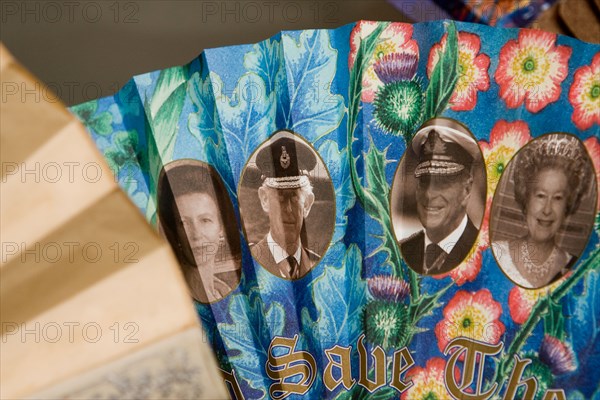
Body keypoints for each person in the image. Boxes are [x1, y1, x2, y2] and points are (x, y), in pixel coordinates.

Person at [493, 134, 593, 289]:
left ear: (568, 205)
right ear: (526, 198)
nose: (547, 209)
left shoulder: (574, 267)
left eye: (558, 198)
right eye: (540, 196)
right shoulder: (498, 254)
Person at [399, 119, 481, 275]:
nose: (429, 194)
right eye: (424, 181)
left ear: (467, 189)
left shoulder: (480, 249)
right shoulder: (405, 250)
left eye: (443, 182)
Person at [157, 159, 241, 303]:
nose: (196, 234)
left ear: (221, 227)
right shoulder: (171, 294)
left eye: (205, 220)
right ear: (175, 233)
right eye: (184, 223)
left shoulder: (223, 289)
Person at [250, 135, 321, 280]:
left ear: (307, 204)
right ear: (265, 200)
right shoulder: (249, 264)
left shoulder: (319, 266)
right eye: (280, 197)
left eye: (294, 197)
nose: (288, 209)